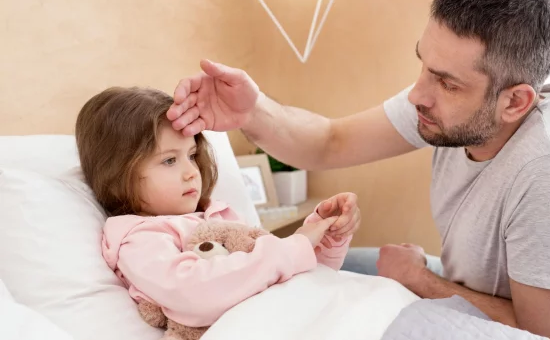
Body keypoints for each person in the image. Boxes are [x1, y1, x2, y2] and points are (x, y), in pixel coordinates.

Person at [167, 0, 550, 340]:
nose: (418, 94)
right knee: (311, 276)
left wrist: (420, 279)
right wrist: (251, 110)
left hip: (520, 320)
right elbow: (329, 141)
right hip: (460, 282)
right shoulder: (446, 104)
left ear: (515, 101)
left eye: (447, 83)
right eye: (423, 65)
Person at [75, 86, 359, 329]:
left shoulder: (218, 216)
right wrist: (295, 247)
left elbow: (289, 273)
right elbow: (193, 293)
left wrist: (323, 239)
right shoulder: (140, 237)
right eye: (169, 161)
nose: (191, 172)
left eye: (192, 155)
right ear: (117, 177)